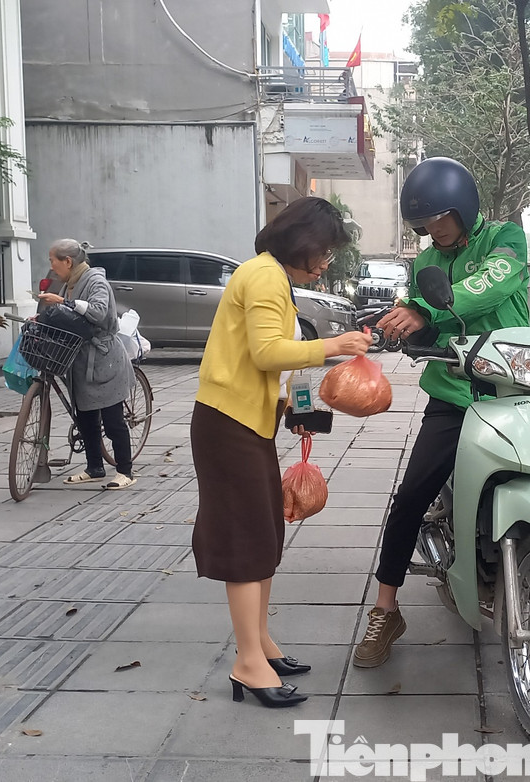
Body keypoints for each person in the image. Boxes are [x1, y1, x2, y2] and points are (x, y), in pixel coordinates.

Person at [191, 196, 371, 708]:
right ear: (305, 242)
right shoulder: (265, 276)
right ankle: (247, 662)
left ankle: (260, 644)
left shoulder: (271, 276)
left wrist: (297, 405)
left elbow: (271, 362)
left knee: (265, 533)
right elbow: (266, 351)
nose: (327, 261)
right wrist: (334, 346)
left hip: (247, 421)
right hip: (229, 424)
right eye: (326, 251)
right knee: (248, 540)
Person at [355, 157, 530, 668]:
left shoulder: (506, 239)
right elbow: (431, 321)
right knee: (411, 497)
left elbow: (492, 286)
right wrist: (402, 327)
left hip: (515, 391)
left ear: (465, 206)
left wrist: (426, 309)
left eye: (441, 219)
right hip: (455, 398)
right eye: (426, 224)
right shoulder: (426, 261)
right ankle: (386, 610)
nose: (435, 230)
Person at [36, 239, 137, 490]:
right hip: (79, 358)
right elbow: (67, 318)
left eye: (53, 260)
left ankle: (125, 470)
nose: (51, 265)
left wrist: (61, 303)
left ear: (67, 261)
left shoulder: (95, 281)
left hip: (104, 359)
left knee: (113, 420)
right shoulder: (68, 284)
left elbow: (99, 312)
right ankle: (95, 467)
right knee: (86, 417)